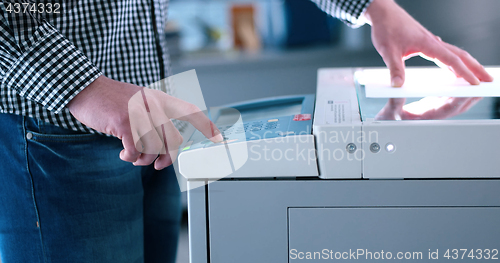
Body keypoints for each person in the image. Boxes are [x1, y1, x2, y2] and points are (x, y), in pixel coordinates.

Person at [0, 0, 493, 262]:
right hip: (59, 126)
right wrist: (85, 89)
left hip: (158, 110)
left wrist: (371, 6)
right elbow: (17, 11)